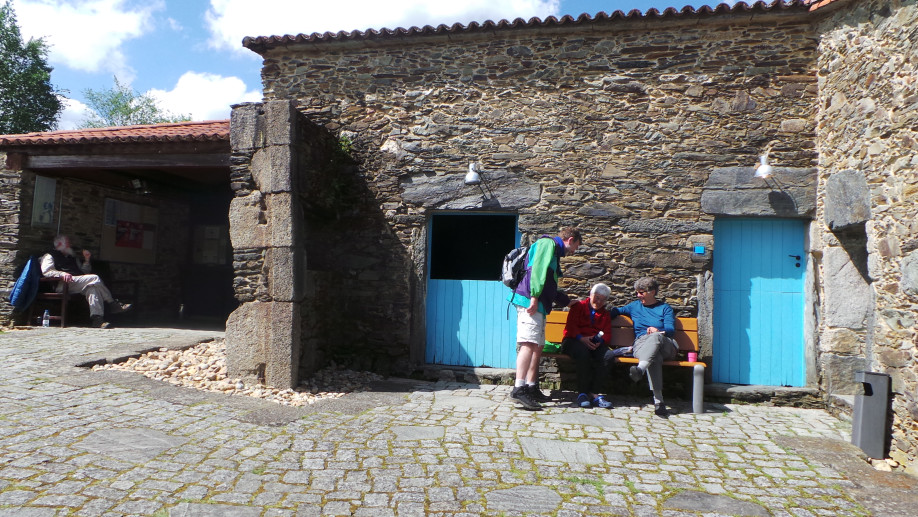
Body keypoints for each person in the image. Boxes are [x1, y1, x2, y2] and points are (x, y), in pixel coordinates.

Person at [507, 227, 581, 410]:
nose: (574, 251)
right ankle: (519, 389)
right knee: (528, 343)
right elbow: (537, 270)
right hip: (530, 301)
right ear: (570, 239)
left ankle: (532, 387)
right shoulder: (547, 244)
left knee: (537, 346)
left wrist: (568, 301)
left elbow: (550, 284)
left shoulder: (554, 252)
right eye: (576, 247)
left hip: (539, 303)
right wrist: (534, 297)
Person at [609, 277, 677, 417]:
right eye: (637, 293)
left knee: (656, 338)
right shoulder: (635, 306)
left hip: (665, 344)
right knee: (654, 358)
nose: (638, 295)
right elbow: (617, 311)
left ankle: (640, 369)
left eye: (641, 292)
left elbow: (670, 329)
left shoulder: (665, 308)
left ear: (652, 292)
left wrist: (659, 331)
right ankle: (659, 403)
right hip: (642, 345)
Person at [39, 235, 132, 329]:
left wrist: (87, 260)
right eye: (67, 243)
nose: (69, 244)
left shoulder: (72, 257)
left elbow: (84, 272)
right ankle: (112, 303)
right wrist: (62, 274)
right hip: (63, 284)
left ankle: (97, 320)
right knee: (95, 278)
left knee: (92, 289)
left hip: (77, 283)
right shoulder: (49, 255)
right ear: (59, 244)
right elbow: (47, 271)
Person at [561, 283, 615, 409]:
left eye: (603, 300)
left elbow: (607, 334)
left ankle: (594, 394)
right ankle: (583, 393)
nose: (599, 301)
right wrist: (582, 338)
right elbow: (570, 328)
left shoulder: (605, 314)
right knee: (583, 353)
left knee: (608, 356)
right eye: (597, 297)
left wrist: (599, 342)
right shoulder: (578, 306)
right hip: (573, 340)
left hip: (594, 343)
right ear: (591, 295)